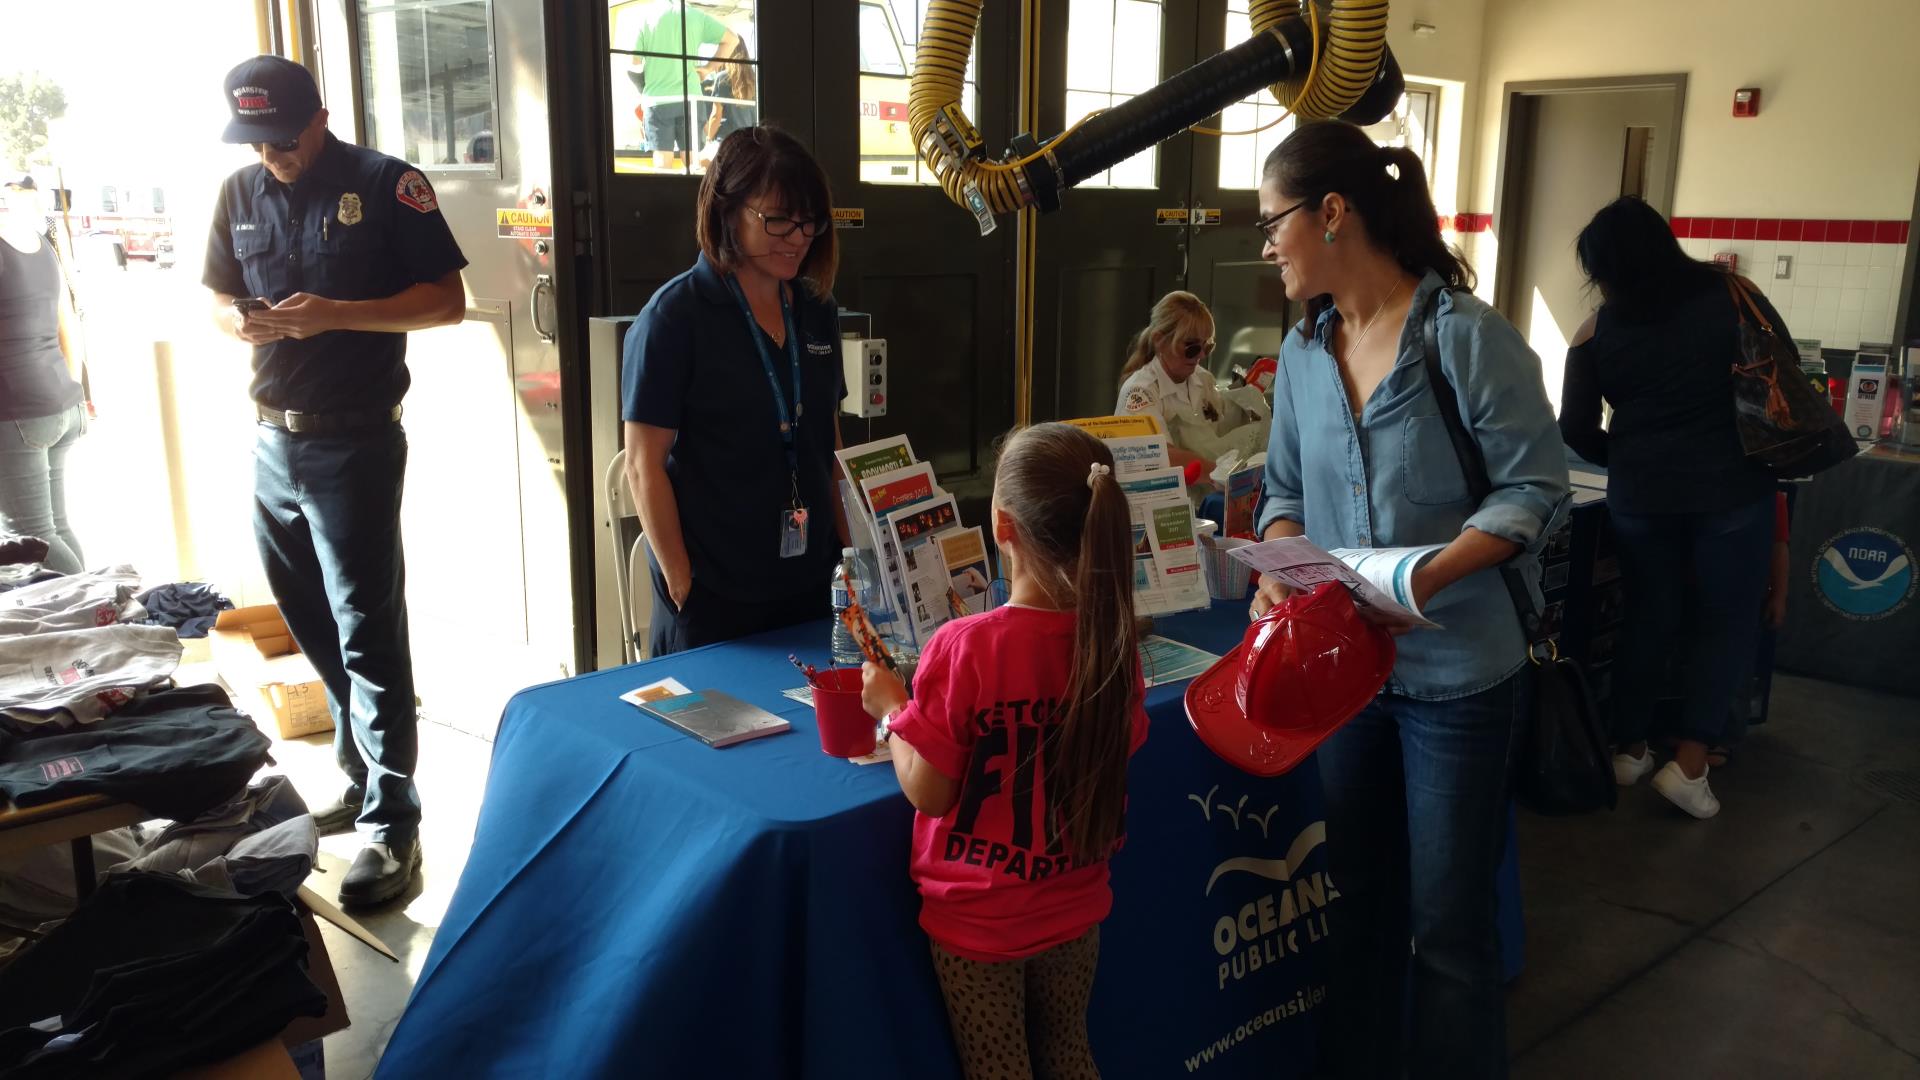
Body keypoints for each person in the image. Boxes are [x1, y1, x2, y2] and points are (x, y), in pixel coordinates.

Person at [1248, 120, 1569, 1078]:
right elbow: (1283, 493)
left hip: (1459, 677)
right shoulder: (1305, 351)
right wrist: (1278, 562)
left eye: (1275, 223)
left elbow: (1534, 491)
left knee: (1448, 927)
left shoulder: (1465, 337)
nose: (1267, 245)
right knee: (1357, 907)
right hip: (1346, 676)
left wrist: (1424, 576)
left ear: (1333, 213)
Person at [202, 56, 468, 907]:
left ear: (319, 116)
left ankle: (395, 826)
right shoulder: (240, 194)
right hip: (271, 441)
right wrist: (238, 322)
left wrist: (338, 314)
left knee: (367, 630)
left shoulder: (387, 186)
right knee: (312, 621)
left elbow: (446, 301)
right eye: (257, 140)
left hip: (354, 442)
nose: (272, 153)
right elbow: (213, 294)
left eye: (283, 136)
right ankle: (360, 780)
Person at [859, 421, 1148, 1080]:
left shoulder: (964, 648)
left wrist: (891, 710)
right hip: (1076, 905)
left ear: (1001, 526)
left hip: (979, 926)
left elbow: (930, 790)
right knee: (1070, 1052)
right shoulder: (1113, 644)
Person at [1560, 196, 1782, 820]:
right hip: (1732, 491)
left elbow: (1574, 426)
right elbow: (1780, 374)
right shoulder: (1734, 295)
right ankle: (1688, 765)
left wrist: (1628, 457)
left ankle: (1628, 750)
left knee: (1648, 616)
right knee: (1723, 623)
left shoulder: (1598, 329)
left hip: (1642, 498)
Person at [622, 125, 850, 656]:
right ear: (728, 210)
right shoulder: (674, 316)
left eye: (808, 221)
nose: (797, 237)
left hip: (810, 584)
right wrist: (683, 582)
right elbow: (642, 465)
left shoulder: (817, 310)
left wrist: (853, 554)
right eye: (778, 220)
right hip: (713, 597)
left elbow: (830, 446)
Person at [0, 175, 88, 575]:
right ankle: (99, 613)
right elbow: (67, 324)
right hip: (57, 399)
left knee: (32, 537)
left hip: (16, 410)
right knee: (55, 528)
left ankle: (99, 613)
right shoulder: (33, 238)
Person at [1114, 290, 1270, 484]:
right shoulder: (1140, 392)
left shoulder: (1202, 379)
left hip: (1203, 494)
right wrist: (1221, 476)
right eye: (1192, 347)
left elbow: (1219, 430)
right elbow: (1162, 458)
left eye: (1207, 346)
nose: (1201, 356)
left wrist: (1247, 403)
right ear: (1159, 341)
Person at [628, 0, 741, 169]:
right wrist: (708, 69)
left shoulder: (646, 18)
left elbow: (634, 62)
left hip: (657, 101)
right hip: (690, 99)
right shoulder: (695, 15)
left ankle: (662, 196)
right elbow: (732, 40)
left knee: (662, 161)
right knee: (691, 159)